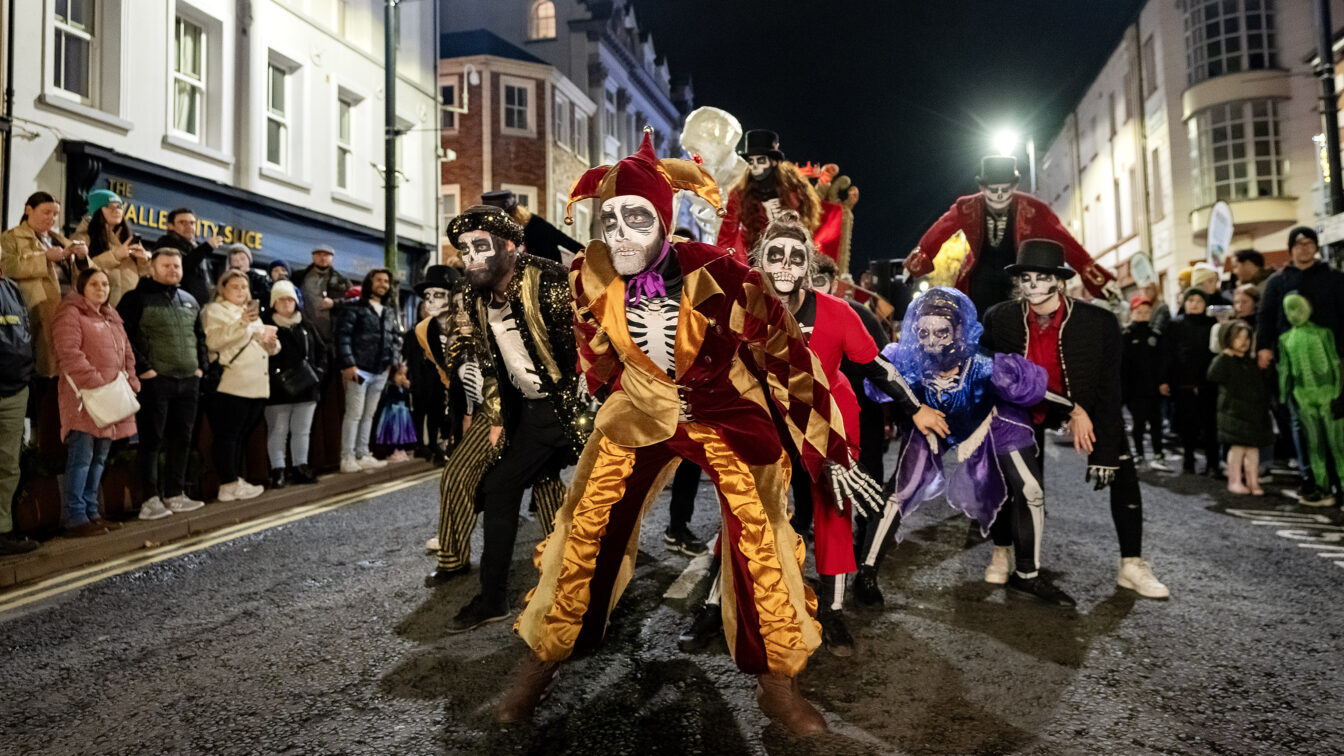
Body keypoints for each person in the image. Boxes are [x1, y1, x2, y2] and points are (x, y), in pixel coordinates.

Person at [501, 131, 881, 735]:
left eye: (636, 217)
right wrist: (595, 387)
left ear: (664, 220)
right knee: (585, 524)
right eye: (611, 219)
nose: (620, 232)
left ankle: (775, 682)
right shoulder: (590, 276)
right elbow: (592, 345)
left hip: (725, 410)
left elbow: (789, 359)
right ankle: (543, 659)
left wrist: (831, 450)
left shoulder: (725, 276)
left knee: (762, 535)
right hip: (640, 408)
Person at [746, 211, 941, 644]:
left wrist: (915, 409)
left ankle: (833, 610)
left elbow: (876, 368)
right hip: (770, 422)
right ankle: (731, 603)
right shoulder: (746, 310)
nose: (784, 266)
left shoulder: (837, 312)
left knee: (835, 508)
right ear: (759, 261)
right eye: (773, 256)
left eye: (795, 258)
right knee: (748, 508)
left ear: (807, 267)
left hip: (829, 423)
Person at [982, 239, 1168, 601]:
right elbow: (994, 375)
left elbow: (1109, 388)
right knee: (1015, 480)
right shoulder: (1000, 317)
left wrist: (1103, 447)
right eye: (1026, 278)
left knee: (1122, 470)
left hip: (1084, 402)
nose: (1033, 285)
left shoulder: (1098, 322)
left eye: (1041, 277)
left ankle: (1132, 563)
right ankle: (1003, 549)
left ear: (1060, 281)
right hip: (1023, 405)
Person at [425, 206, 578, 611]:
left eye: (480, 246)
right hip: (526, 411)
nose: (470, 257)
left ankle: (586, 588)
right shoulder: (473, 295)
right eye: (463, 249)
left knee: (605, 498)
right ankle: (496, 595)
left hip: (576, 409)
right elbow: (488, 361)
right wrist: (492, 412)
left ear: (510, 246)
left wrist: (597, 410)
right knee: (501, 485)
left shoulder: (549, 280)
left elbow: (586, 349)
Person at [866, 288, 1058, 600]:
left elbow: (1035, 388)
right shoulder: (907, 361)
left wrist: (1076, 409)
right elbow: (872, 372)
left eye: (941, 332)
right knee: (898, 492)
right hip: (930, 420)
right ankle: (867, 572)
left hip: (986, 418)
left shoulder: (984, 366)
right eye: (924, 333)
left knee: (1031, 489)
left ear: (958, 331)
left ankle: (1028, 573)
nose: (932, 342)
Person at [904, 156, 1118, 315]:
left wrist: (1095, 276)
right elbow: (938, 232)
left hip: (1018, 282)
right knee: (979, 333)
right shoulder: (967, 207)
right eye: (993, 189)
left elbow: (1064, 240)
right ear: (983, 187)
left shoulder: (1033, 208)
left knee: (1017, 330)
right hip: (979, 282)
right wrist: (914, 264)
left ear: (1014, 186)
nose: (999, 194)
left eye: (1005, 189)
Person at [117, 248, 209, 520]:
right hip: (156, 382)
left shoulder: (190, 300)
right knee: (151, 441)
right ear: (152, 269)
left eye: (177, 266)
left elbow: (199, 337)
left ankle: (175, 493)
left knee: (182, 439)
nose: (173, 270)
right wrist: (145, 370)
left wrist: (200, 368)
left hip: (188, 381)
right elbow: (124, 337)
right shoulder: (136, 298)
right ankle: (149, 499)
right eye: (166, 265)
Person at [1256, 226, 1344, 506]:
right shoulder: (1278, 282)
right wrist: (1263, 347)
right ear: (1291, 248)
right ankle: (1313, 481)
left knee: (1336, 422)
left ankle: (1338, 481)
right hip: (1292, 363)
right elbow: (1266, 316)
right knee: (1301, 424)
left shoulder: (1334, 279)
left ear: (1316, 247)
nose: (1304, 248)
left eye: (1309, 243)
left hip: (1333, 363)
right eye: (1298, 243)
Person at [53, 268, 142, 536]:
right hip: (85, 398)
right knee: (81, 457)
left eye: (105, 284)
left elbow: (127, 352)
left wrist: (132, 382)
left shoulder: (112, 317)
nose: (101, 289)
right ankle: (75, 517)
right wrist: (98, 382)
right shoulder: (70, 313)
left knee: (99, 457)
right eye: (94, 284)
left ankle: (92, 513)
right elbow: (69, 353)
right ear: (81, 286)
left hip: (111, 397)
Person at [202, 270, 279, 501]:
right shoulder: (214, 310)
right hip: (232, 382)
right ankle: (228, 482)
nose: (240, 291)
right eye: (234, 286)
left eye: (244, 287)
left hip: (256, 384)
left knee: (240, 435)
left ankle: (235, 479)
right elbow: (213, 341)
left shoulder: (252, 314)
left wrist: (271, 344)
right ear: (222, 289)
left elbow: (267, 345)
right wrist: (241, 324)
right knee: (227, 435)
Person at [1, 191, 91, 378]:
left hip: (67, 312)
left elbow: (89, 275)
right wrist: (43, 258)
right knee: (40, 369)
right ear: (28, 210)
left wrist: (82, 258)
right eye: (46, 212)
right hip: (34, 311)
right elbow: (7, 266)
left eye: (55, 214)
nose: (51, 218)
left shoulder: (58, 238)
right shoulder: (11, 237)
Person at [1276, 294, 1344, 505]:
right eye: (1290, 309)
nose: (1294, 314)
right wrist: (1284, 396)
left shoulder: (1323, 334)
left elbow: (1335, 364)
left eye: (1297, 308)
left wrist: (1340, 393)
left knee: (1336, 445)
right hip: (1307, 396)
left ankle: (1335, 488)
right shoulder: (1286, 339)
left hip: (1325, 394)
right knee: (1316, 445)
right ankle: (1324, 488)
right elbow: (1285, 371)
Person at [334, 268, 401, 472]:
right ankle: (347, 457)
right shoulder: (353, 308)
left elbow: (395, 339)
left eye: (386, 281)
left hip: (381, 371)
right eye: (379, 280)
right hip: (359, 370)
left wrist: (392, 363)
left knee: (368, 414)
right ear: (369, 283)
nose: (383, 284)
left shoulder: (389, 311)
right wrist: (348, 364)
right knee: (354, 413)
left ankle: (363, 453)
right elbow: (342, 337)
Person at [263, 279, 325, 488]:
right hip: (277, 389)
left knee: (302, 430)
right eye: (281, 299)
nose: (286, 303)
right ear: (273, 303)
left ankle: (300, 466)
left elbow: (322, 351)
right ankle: (278, 470)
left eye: (290, 299)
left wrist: (319, 373)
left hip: (307, 387)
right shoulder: (265, 326)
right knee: (278, 430)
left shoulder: (307, 325)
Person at [1207, 320, 1273, 495]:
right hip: (1233, 413)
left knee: (1252, 450)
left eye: (1247, 338)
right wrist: (1225, 355)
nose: (1243, 342)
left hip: (1251, 413)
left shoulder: (1250, 362)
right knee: (1237, 449)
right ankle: (1235, 480)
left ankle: (1253, 481)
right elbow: (1213, 376)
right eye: (1238, 338)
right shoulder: (1225, 360)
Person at [0, 263, 37, 555]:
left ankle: (3, 530)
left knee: (8, 465)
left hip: (14, 387)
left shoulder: (12, 287)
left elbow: (25, 332)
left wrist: (26, 374)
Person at [407, 265, 460, 462]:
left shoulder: (471, 326)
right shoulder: (421, 330)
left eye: (438, 294)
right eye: (427, 295)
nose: (429, 300)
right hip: (431, 385)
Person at [1167, 289, 1219, 475]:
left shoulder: (1213, 323)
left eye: (1199, 300)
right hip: (1183, 382)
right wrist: (1165, 380)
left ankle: (1213, 463)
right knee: (1186, 425)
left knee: (1210, 425)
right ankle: (1188, 461)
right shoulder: (1175, 324)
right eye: (1191, 300)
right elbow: (1168, 354)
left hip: (1208, 381)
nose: (1195, 304)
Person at [71, 189, 149, 307]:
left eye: (119, 206)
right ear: (96, 210)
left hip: (132, 310)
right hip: (100, 309)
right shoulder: (83, 238)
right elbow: (80, 273)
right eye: (110, 206)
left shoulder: (126, 238)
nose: (116, 210)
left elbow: (145, 280)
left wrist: (143, 261)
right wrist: (115, 256)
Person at [1121, 294, 1173, 472]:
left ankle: (1159, 455)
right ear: (1132, 313)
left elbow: (1163, 360)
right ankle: (1139, 453)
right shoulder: (1126, 336)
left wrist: (1163, 381)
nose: (1143, 316)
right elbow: (1122, 365)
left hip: (1153, 388)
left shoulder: (1156, 335)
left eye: (1146, 312)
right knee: (1138, 424)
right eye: (1139, 312)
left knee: (1156, 423)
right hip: (1135, 390)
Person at [481, 190, 584, 266]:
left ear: (512, 215)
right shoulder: (504, 232)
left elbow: (565, 240)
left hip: (548, 276)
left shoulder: (537, 226)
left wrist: (590, 254)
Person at [154, 208, 224, 307]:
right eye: (182, 222)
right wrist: (207, 247)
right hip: (178, 305)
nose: (189, 226)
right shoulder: (165, 244)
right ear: (171, 226)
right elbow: (183, 265)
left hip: (201, 306)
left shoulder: (197, 247)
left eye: (192, 223)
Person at [293, 245, 351, 346]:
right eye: (319, 254)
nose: (323, 258)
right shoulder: (298, 277)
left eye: (326, 255)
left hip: (331, 336)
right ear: (313, 256)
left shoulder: (342, 281)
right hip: (304, 332)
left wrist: (334, 303)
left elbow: (352, 302)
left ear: (332, 258)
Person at [375, 364, 417, 462]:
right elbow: (389, 397)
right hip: (393, 413)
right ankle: (392, 451)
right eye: (399, 374)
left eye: (404, 374)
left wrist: (407, 388)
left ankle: (401, 449)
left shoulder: (403, 388)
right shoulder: (390, 387)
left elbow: (406, 397)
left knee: (402, 432)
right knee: (393, 432)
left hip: (403, 413)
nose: (402, 377)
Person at [222, 244, 271, 318]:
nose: (239, 263)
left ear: (249, 260)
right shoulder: (225, 281)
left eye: (242, 259)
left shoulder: (259, 280)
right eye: (235, 260)